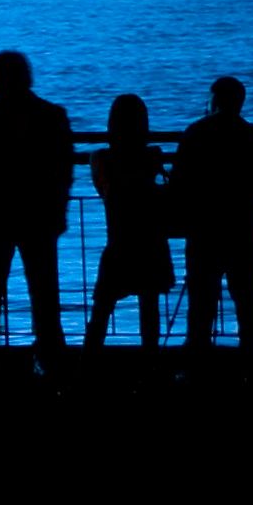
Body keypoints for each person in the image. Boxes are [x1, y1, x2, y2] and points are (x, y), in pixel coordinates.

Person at [0, 50, 73, 350]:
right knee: (44, 293)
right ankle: (51, 360)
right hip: (37, 217)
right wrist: (58, 212)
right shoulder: (52, 115)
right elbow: (63, 170)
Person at [168, 77, 253, 351]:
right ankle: (250, 369)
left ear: (213, 101)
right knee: (250, 309)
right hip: (246, 234)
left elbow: (178, 186)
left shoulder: (195, 134)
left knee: (201, 309)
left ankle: (198, 367)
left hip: (204, 234)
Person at [84, 93, 170, 350]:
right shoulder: (152, 157)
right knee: (150, 309)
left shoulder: (102, 159)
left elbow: (103, 190)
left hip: (119, 241)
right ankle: (151, 366)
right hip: (150, 241)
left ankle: (86, 367)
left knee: (101, 310)